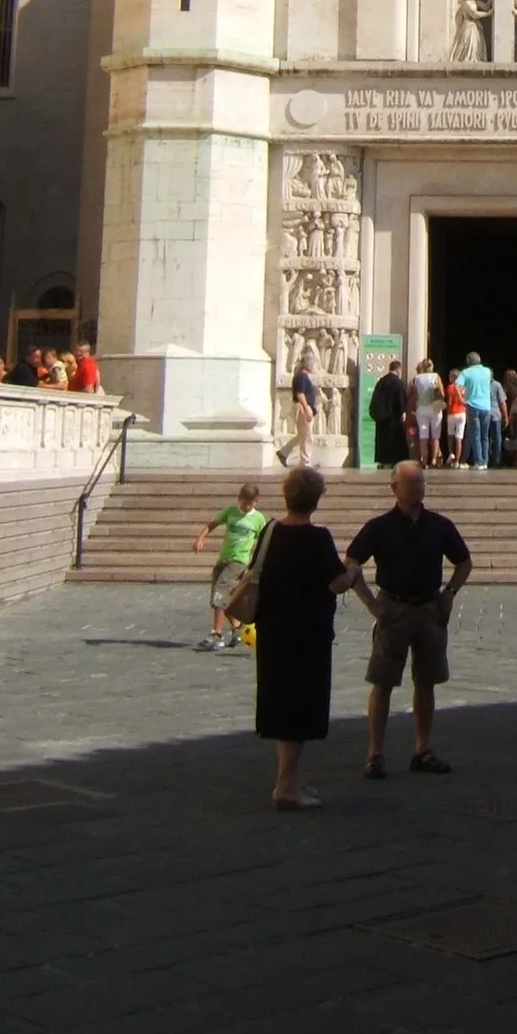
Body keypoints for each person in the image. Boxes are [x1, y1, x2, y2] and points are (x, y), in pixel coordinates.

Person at [343, 461, 472, 777]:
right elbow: (351, 562)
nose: (418, 489)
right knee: (383, 681)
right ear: (394, 489)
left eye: (421, 483)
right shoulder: (380, 526)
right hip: (394, 607)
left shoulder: (439, 525)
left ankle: (422, 749)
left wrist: (450, 593)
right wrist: (371, 603)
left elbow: (464, 561)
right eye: (411, 483)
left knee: (427, 680)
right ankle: (375, 753)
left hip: (429, 607)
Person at [254, 465, 346, 811]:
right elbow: (335, 582)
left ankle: (288, 778)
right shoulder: (317, 538)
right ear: (316, 500)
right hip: (307, 633)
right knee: (299, 708)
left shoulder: (269, 531)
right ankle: (285, 786)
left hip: (273, 630)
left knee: (281, 704)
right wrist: (351, 574)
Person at [193, 483, 268, 650]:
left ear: (256, 502)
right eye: (244, 503)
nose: (247, 506)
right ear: (239, 499)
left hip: (239, 561)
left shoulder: (258, 519)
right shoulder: (230, 512)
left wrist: (257, 563)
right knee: (225, 598)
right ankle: (237, 630)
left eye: (251, 503)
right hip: (224, 559)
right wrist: (201, 538)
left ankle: (216, 634)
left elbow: (263, 541)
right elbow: (211, 525)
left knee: (220, 594)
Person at [281, 347, 319, 468]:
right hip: (303, 407)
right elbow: (300, 394)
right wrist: (306, 408)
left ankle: (283, 452)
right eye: (312, 363)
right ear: (307, 364)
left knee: (302, 435)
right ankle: (306, 463)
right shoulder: (302, 377)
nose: (314, 366)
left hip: (302, 407)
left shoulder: (301, 376)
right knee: (307, 437)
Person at [369, 358, 409, 468]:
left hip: (382, 417)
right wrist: (403, 412)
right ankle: (393, 460)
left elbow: (375, 399)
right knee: (394, 438)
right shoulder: (398, 382)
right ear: (398, 370)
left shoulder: (381, 381)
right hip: (394, 417)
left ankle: (382, 460)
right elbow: (401, 398)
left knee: (382, 439)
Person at [459, 351, 494, 469]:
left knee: (475, 434)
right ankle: (485, 461)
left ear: (468, 361)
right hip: (486, 406)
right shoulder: (487, 371)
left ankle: (479, 460)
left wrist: (461, 399)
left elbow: (457, 385)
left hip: (472, 405)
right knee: (485, 435)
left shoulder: (465, 372)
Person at [410, 357, 444, 466]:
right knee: (435, 435)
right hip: (434, 407)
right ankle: (433, 459)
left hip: (421, 408)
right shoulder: (436, 376)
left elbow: (413, 394)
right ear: (431, 366)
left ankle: (424, 460)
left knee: (423, 434)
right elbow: (442, 393)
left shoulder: (416, 378)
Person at [444, 368, 467, 468]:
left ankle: (451, 453)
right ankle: (457, 461)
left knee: (450, 435)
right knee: (459, 438)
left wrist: (445, 407)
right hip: (461, 413)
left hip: (451, 413)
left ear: (453, 377)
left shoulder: (450, 387)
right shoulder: (464, 388)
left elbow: (449, 402)